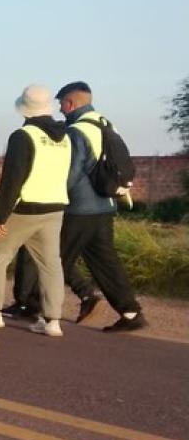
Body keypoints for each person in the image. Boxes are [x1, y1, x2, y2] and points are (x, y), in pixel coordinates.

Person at [48, 81, 146, 331]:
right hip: (105, 204)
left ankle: (41, 307)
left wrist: (53, 195)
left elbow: (71, 171)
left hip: (79, 208)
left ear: (71, 103)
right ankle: (131, 313)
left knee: (53, 259)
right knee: (105, 261)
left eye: (61, 104)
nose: (60, 109)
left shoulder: (76, 131)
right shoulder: (106, 124)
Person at [0, 84, 71, 338]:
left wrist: (0, 215)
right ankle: (52, 320)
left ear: (24, 109)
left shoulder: (23, 136)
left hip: (24, 208)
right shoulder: (65, 137)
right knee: (51, 263)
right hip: (55, 208)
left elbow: (12, 180)